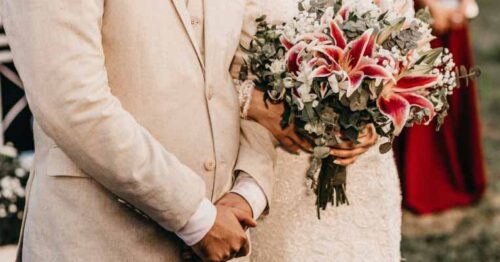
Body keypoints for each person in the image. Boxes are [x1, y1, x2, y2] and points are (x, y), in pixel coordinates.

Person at [1, 0, 278, 261]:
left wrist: (248, 191)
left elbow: (254, 76)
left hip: (226, 233)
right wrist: (195, 217)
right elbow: (71, 102)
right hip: (99, 242)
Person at [230, 0, 406, 261]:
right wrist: (252, 102)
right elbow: (194, 67)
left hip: (366, 178)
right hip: (272, 162)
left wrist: (376, 124)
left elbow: (408, 62)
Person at [394, 0, 486, 214]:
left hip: (454, 13)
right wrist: (429, 5)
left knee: (453, 90)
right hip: (421, 13)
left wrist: (463, 5)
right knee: (421, 92)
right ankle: (422, 180)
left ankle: (458, 171)